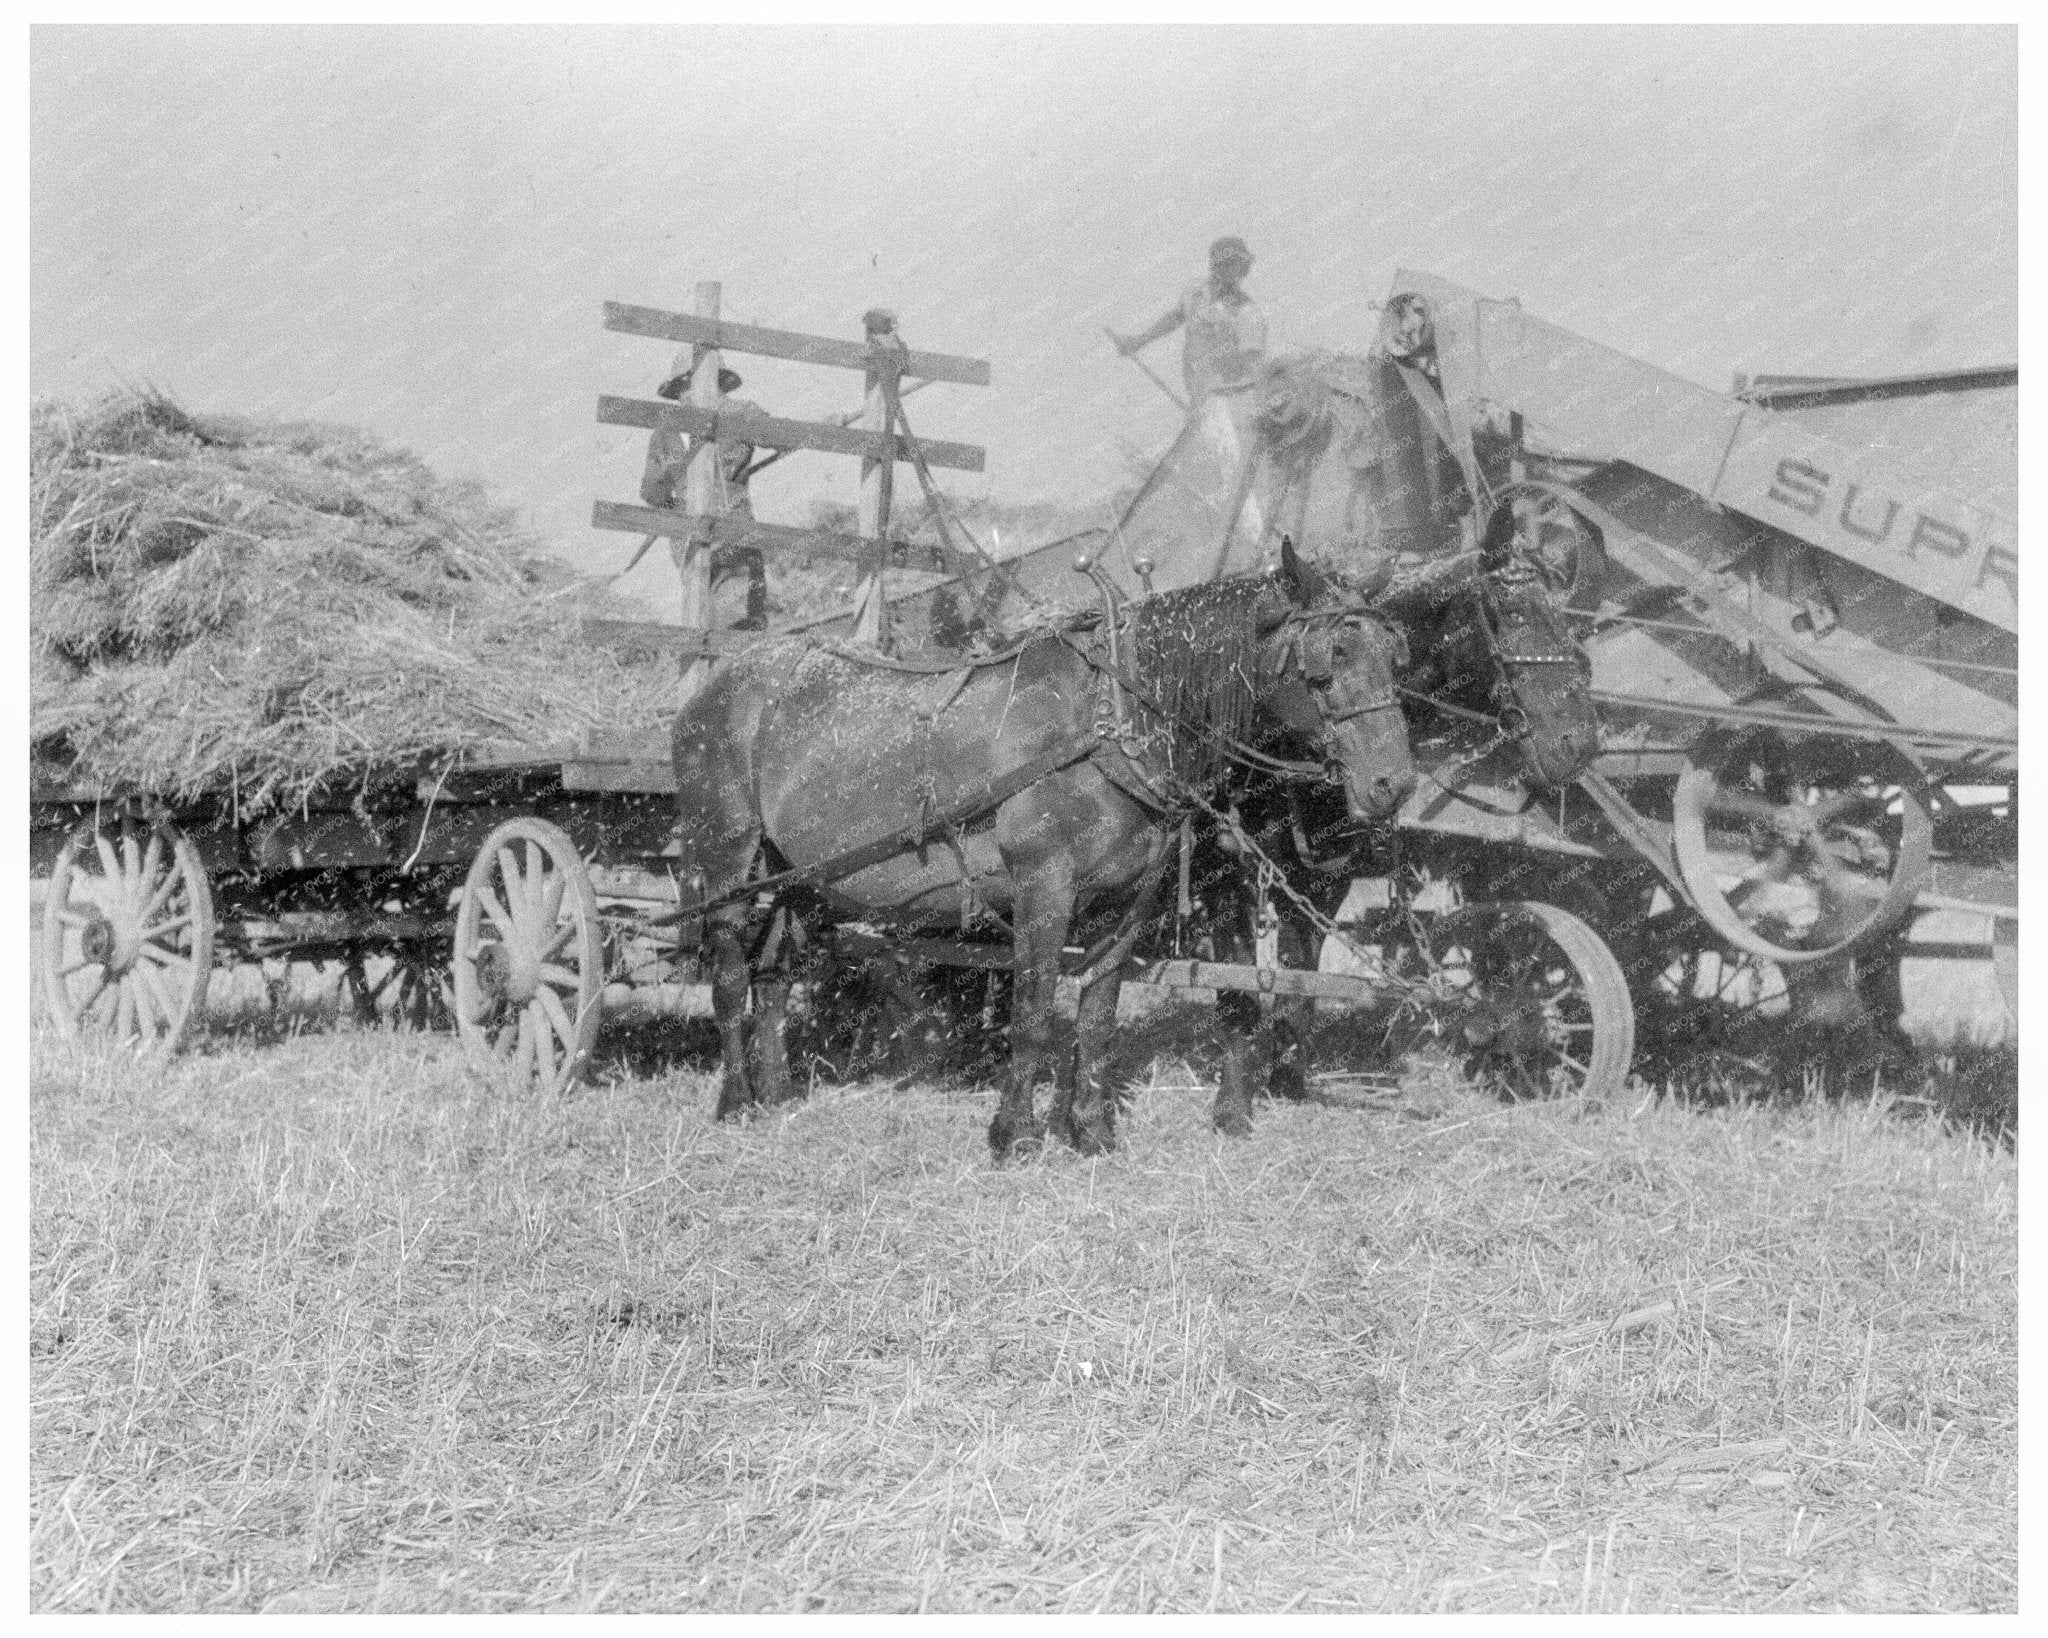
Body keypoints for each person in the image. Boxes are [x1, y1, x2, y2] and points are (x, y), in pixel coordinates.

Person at [641, 353, 768, 629]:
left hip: (714, 542)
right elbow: (652, 493)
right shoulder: (667, 432)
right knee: (730, 632)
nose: (685, 394)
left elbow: (653, 495)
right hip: (713, 541)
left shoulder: (739, 414)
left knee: (713, 628)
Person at [1110, 236, 1269, 411]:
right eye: (1224, 265)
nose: (1229, 272)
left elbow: (1253, 360)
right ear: (1214, 266)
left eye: (1235, 266)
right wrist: (1139, 341)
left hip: (1229, 399)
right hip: (1197, 389)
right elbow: (1176, 317)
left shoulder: (1247, 313)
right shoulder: (1195, 292)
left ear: (1243, 270)